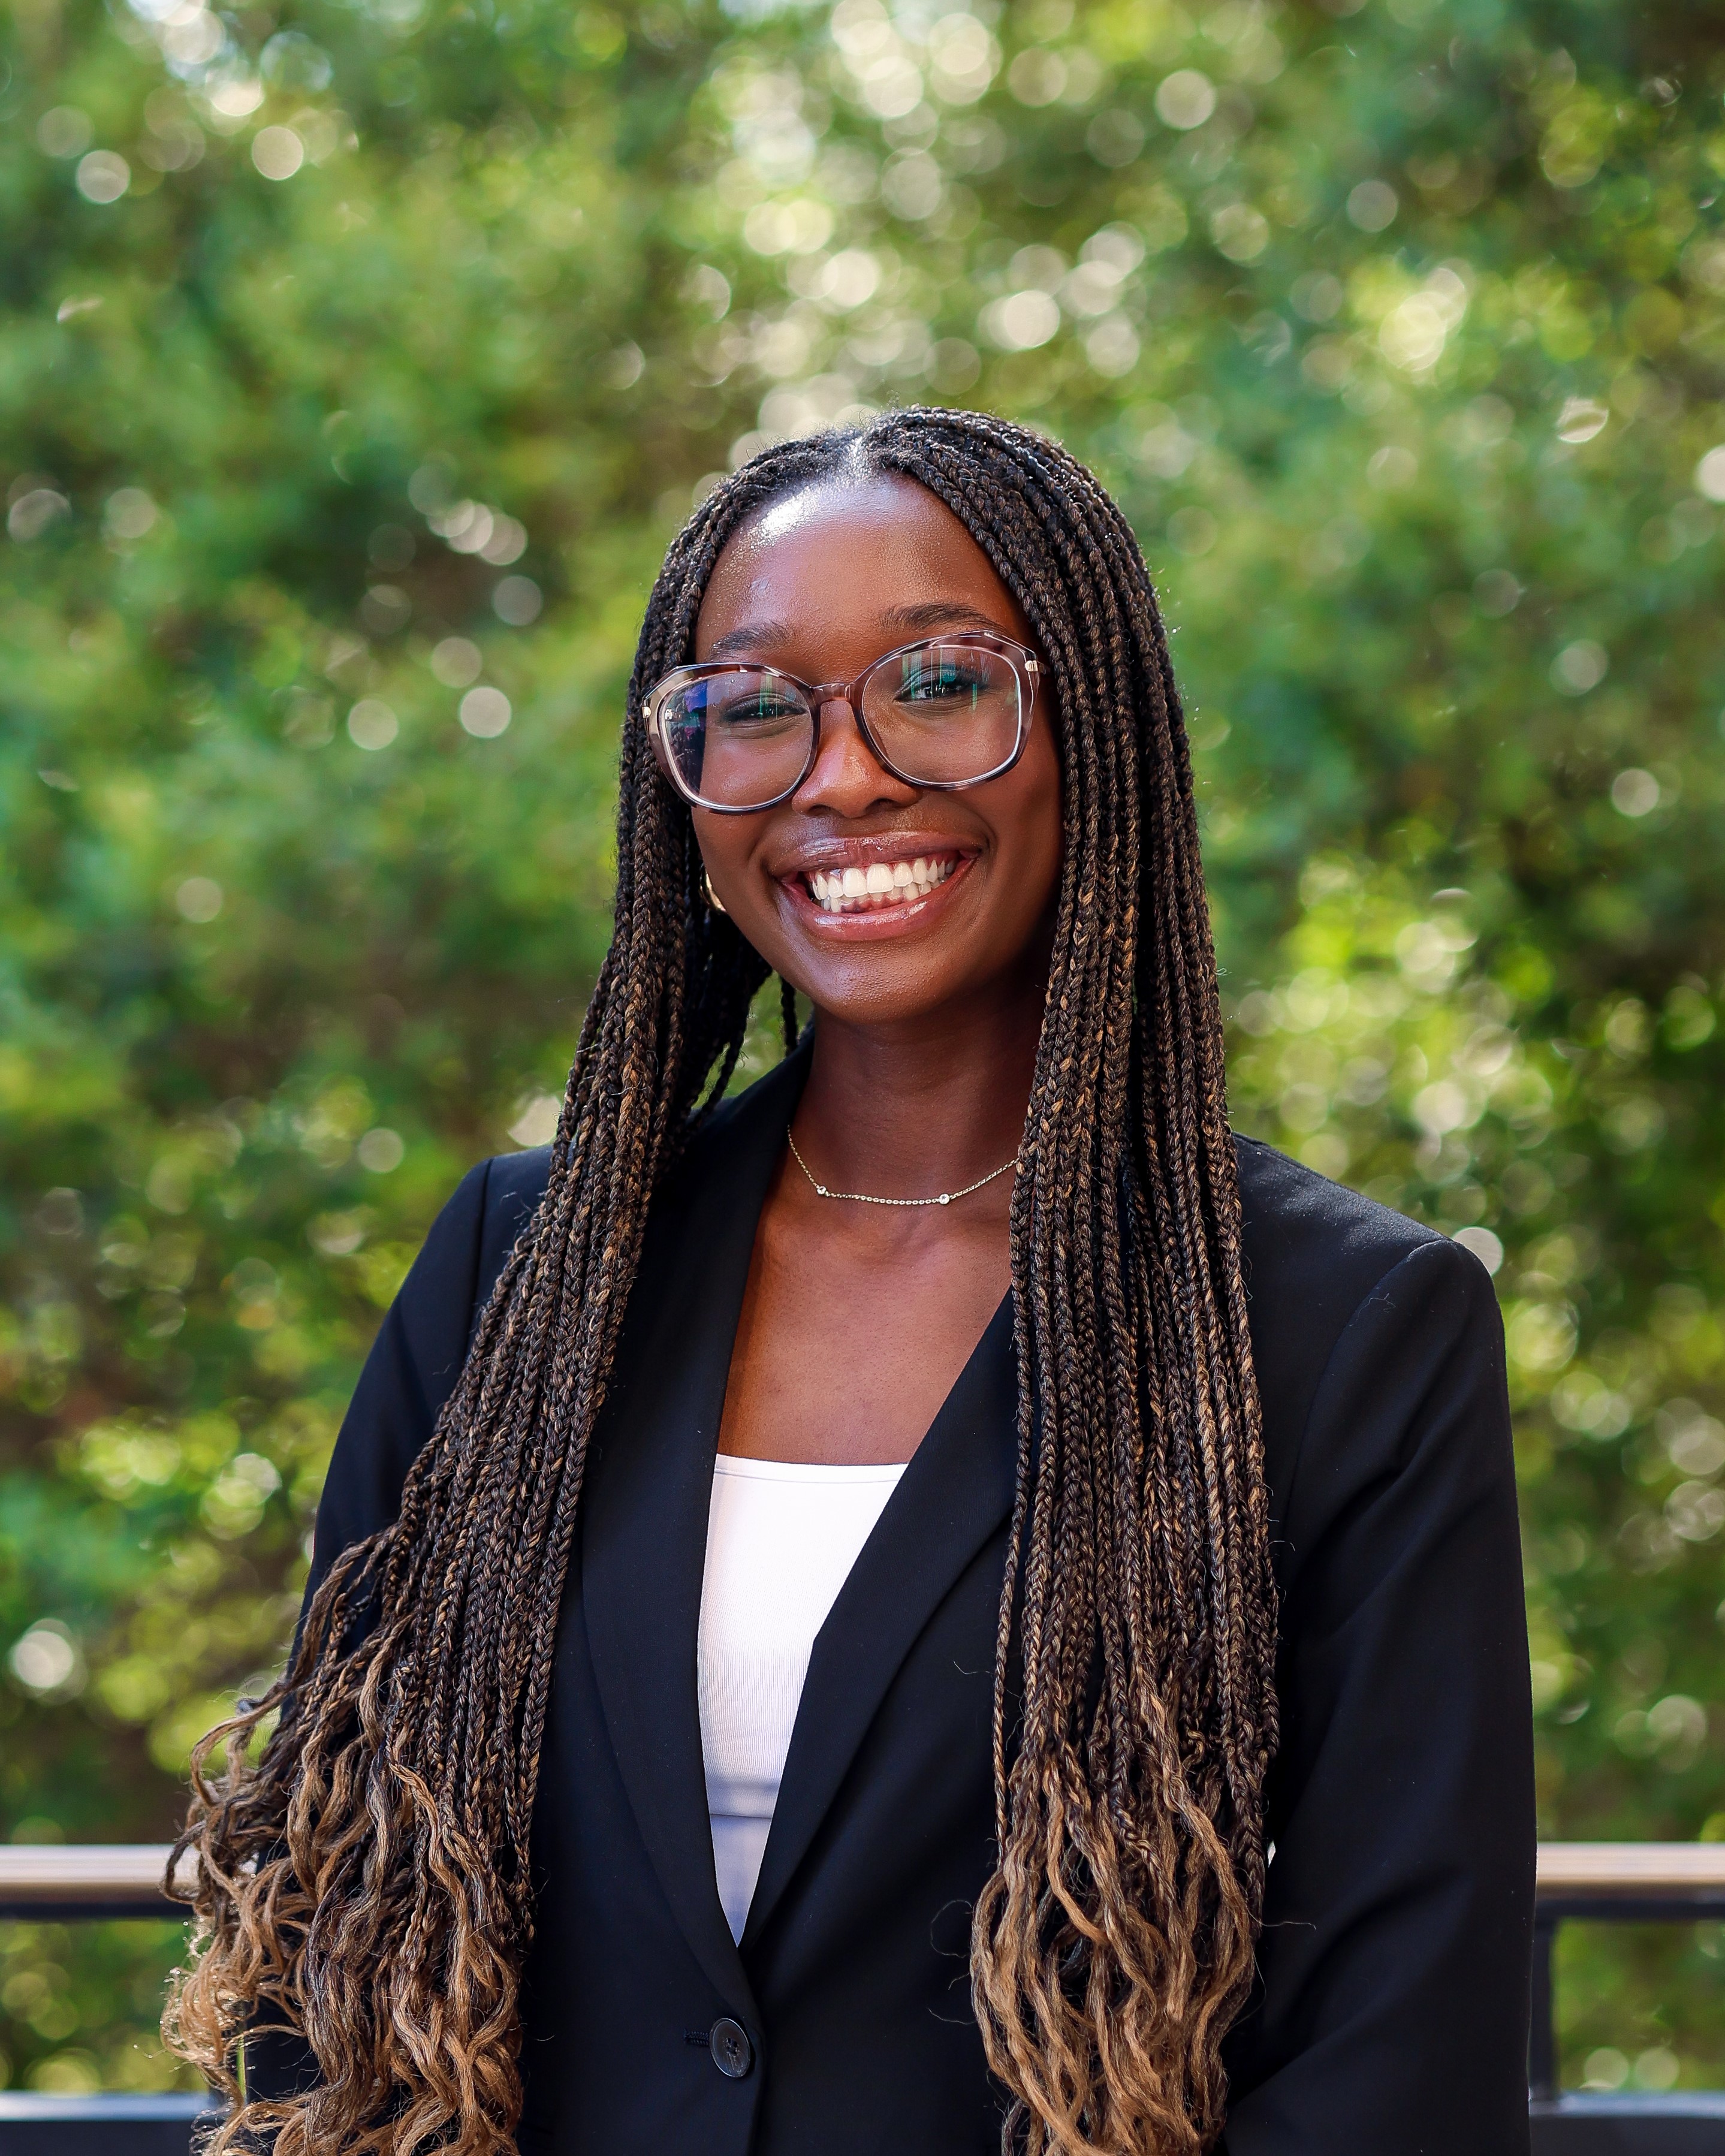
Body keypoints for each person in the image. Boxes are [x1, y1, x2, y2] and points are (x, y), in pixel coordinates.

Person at [167, 409, 1534, 2156]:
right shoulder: (521, 1278)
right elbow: (328, 1920)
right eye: (753, 709)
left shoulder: (1343, 1330)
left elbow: (1398, 2055)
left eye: (940, 684)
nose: (841, 776)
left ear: (1090, 727)